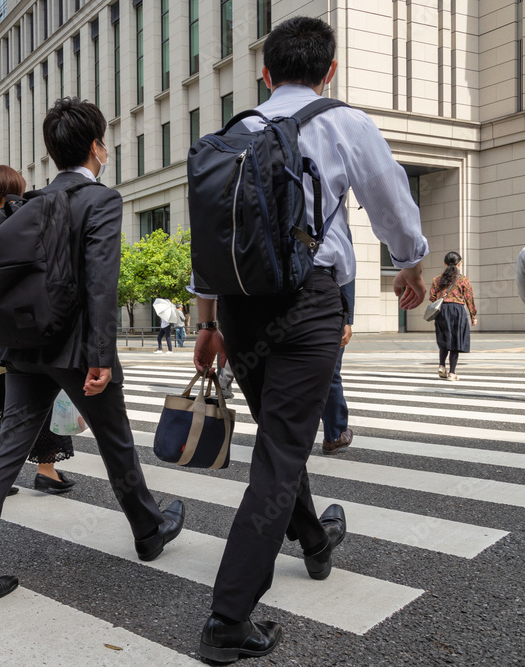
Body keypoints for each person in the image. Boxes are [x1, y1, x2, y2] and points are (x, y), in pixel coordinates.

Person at [192, 18, 429, 662]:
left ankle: (316, 544)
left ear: (264, 74)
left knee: (279, 435)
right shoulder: (343, 121)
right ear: (329, 71)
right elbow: (393, 204)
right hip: (307, 304)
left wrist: (207, 321)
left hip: (240, 309)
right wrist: (410, 262)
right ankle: (228, 616)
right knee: (280, 452)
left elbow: (209, 236)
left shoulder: (233, 133)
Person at [0, 98, 185, 602]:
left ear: (53, 152)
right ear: (97, 146)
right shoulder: (100, 200)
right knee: (115, 439)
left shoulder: (29, 202)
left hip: (23, 344)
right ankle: (148, 529)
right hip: (76, 349)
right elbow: (101, 282)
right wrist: (100, 354)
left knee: (7, 445)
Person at [0, 163, 76, 495]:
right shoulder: (4, 225)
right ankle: (39, 471)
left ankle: (5, 474)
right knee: (30, 396)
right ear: (14, 189)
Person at [429, 251, 477, 381]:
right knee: (455, 341)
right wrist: (473, 316)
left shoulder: (436, 279)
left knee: (443, 339)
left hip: (442, 311)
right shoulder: (463, 279)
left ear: (444, 263)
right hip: (457, 311)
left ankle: (441, 366)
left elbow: (432, 297)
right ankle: (452, 373)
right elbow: (469, 298)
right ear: (459, 263)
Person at [321, 281, 355, 454]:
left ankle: (281, 436)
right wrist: (346, 319)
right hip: (327, 309)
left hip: (285, 311)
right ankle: (333, 436)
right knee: (330, 372)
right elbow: (346, 277)